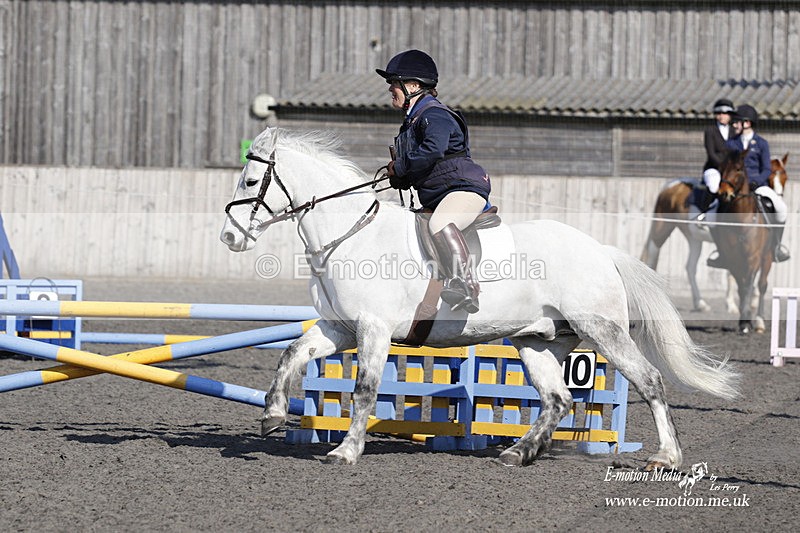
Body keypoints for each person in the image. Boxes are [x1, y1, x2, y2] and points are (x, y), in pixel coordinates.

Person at [377, 49, 491, 313]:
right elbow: (427, 161)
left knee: (441, 223)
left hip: (463, 189)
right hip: (442, 192)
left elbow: (433, 150)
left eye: (395, 83)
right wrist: (402, 177)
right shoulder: (414, 119)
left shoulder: (434, 114)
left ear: (414, 86)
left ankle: (465, 285)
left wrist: (402, 167)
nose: (391, 89)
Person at [708, 104, 790, 267]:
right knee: (711, 215)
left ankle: (776, 247)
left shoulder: (761, 144)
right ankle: (721, 253)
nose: (735, 125)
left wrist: (756, 181)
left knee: (781, 208)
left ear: (748, 123)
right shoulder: (731, 144)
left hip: (757, 185)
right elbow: (726, 166)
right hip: (735, 187)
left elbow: (766, 168)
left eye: (738, 121)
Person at [699, 98, 735, 212]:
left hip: (730, 170)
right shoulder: (710, 131)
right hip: (714, 168)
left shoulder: (734, 131)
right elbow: (711, 153)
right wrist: (723, 167)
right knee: (714, 186)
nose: (721, 116)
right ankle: (703, 212)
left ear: (730, 115)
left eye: (725, 113)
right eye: (719, 113)